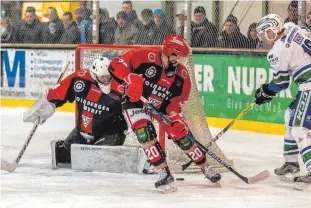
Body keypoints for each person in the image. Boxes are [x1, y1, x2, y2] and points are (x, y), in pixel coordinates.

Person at [108, 35, 221, 192]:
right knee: (144, 133)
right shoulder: (144, 56)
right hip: (135, 101)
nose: (180, 60)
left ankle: (205, 167)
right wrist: (129, 78)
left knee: (182, 135)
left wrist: (176, 119)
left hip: (162, 106)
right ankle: (163, 172)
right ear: (169, 51)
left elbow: (174, 103)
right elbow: (115, 65)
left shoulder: (181, 75)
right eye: (179, 55)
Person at [255, 14, 311, 190]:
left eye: (265, 34)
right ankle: (291, 163)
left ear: (272, 32)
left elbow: (281, 83)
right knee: (291, 115)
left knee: (300, 127)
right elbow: (306, 32)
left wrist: (266, 91)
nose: (264, 38)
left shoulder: (277, 52)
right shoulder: (292, 26)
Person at [23, 58, 128, 167]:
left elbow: (135, 107)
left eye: (108, 76)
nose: (106, 80)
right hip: (82, 132)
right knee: (63, 159)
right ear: (94, 74)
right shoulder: (79, 79)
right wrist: (47, 103)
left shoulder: (121, 86)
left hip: (110, 133)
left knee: (98, 164)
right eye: (103, 77)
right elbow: (58, 93)